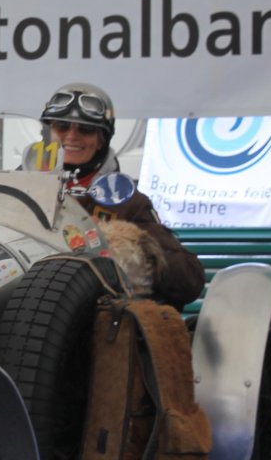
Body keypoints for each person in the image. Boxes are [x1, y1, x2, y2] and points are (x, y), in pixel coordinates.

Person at [34, 82, 206, 310]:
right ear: (47, 133)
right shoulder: (16, 187)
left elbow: (189, 283)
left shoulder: (127, 201)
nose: (72, 136)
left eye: (86, 129)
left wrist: (119, 238)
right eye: (62, 126)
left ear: (101, 140)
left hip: (90, 314)